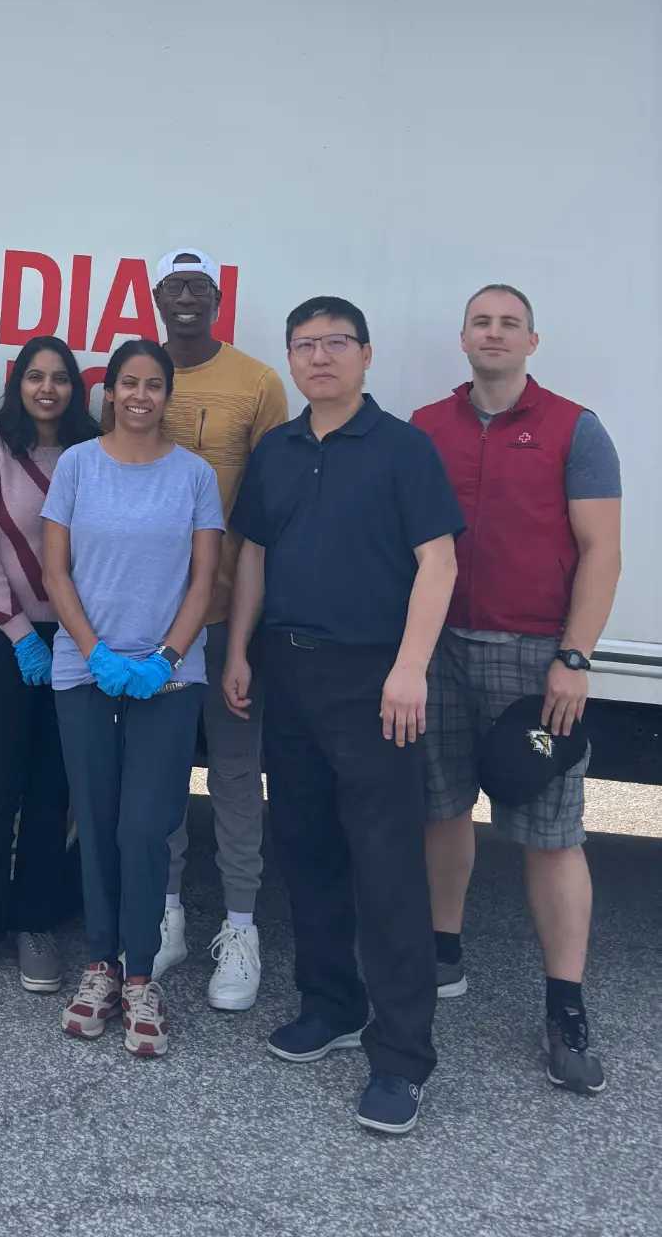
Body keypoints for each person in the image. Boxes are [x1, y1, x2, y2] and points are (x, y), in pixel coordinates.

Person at [224, 297, 464, 1137]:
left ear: (365, 356)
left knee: (387, 867)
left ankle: (402, 1060)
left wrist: (409, 669)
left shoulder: (404, 449)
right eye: (304, 345)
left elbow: (439, 561)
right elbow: (254, 553)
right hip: (287, 673)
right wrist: (240, 650)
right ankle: (331, 1006)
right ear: (290, 360)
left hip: (376, 684)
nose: (319, 357)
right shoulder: (278, 451)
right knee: (309, 850)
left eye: (335, 344)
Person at [411, 285, 622, 1097]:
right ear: (461, 336)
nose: (493, 333)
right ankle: (442, 952)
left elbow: (601, 551)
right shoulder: (428, 425)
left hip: (535, 656)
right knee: (438, 808)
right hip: (438, 647)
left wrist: (575, 657)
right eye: (480, 322)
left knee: (551, 833)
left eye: (508, 324)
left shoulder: (576, 429)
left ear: (533, 340)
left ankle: (565, 1007)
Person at [41, 339, 223, 1059]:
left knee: (145, 830)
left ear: (166, 395)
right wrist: (96, 653)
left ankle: (142, 974)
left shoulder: (196, 476)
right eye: (128, 384)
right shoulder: (78, 466)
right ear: (110, 392)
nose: (141, 396)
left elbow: (205, 580)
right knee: (97, 819)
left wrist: (166, 659)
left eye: (154, 385)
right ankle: (99, 968)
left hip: (168, 677)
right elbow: (57, 572)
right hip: (86, 670)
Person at [0, 336, 98, 995]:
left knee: (52, 781)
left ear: (74, 388)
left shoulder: (92, 454)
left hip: (69, 636)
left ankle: (35, 923)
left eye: (60, 378)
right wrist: (16, 632)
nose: (47, 389)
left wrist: (72, 635)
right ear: (17, 383)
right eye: (35, 376)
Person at [152, 246, 288, 1010]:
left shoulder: (258, 383)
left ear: (218, 299)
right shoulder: (138, 373)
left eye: (201, 287)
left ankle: (241, 929)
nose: (188, 298)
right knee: (163, 772)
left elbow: (271, 509)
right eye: (175, 286)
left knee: (237, 774)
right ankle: (166, 915)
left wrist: (247, 630)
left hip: (230, 619)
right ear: (155, 298)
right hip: (154, 619)